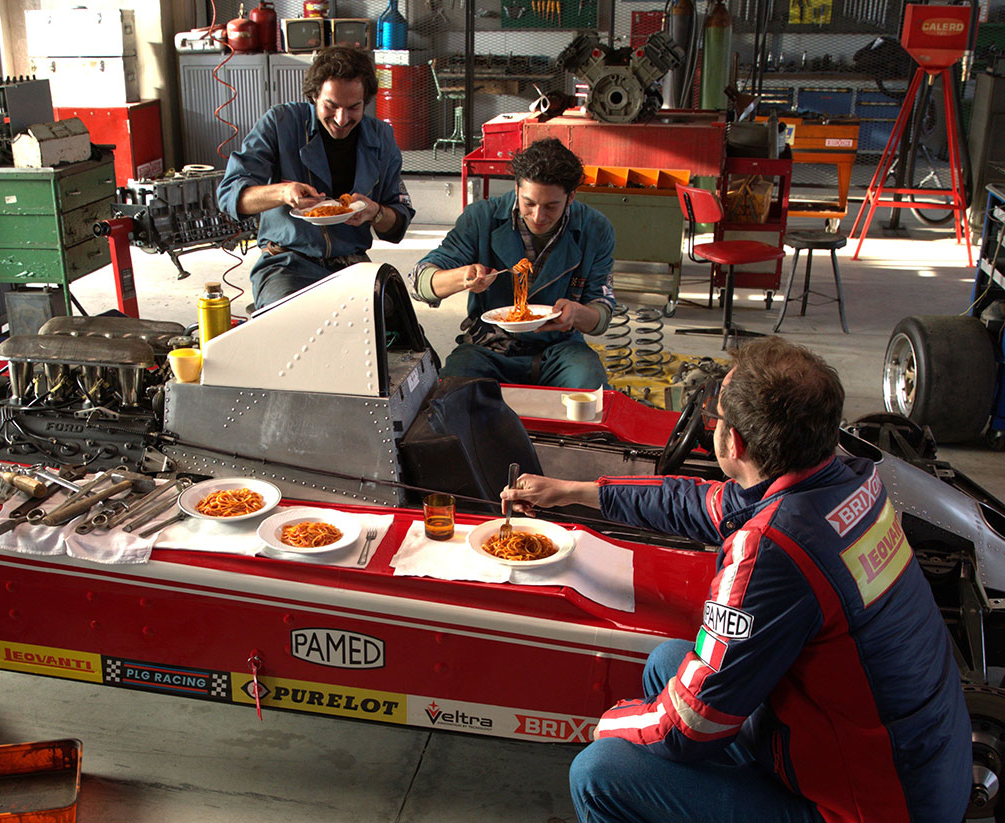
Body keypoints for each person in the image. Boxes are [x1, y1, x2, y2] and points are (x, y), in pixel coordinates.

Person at [501, 337, 971, 823]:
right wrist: (572, 491)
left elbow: (686, 728)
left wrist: (608, 724)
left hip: (865, 808)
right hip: (905, 764)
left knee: (600, 771)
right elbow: (692, 503)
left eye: (718, 416)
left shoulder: (774, 549)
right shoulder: (844, 482)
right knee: (667, 664)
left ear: (735, 443)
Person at [408, 137, 614, 390]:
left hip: (561, 349)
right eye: (529, 203)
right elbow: (420, 281)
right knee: (450, 396)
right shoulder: (481, 218)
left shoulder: (595, 229)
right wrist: (462, 278)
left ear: (571, 196)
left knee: (593, 394)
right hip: (488, 347)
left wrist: (576, 314)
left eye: (551, 206)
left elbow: (601, 314)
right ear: (516, 188)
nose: (538, 216)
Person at [217, 46, 414, 310]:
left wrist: (375, 212)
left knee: (394, 321)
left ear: (365, 101)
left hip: (351, 265)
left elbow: (398, 222)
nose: (342, 119)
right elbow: (230, 195)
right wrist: (283, 193)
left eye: (353, 107)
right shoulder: (280, 123)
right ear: (314, 95)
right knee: (289, 318)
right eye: (331, 106)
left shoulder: (381, 138)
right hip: (285, 263)